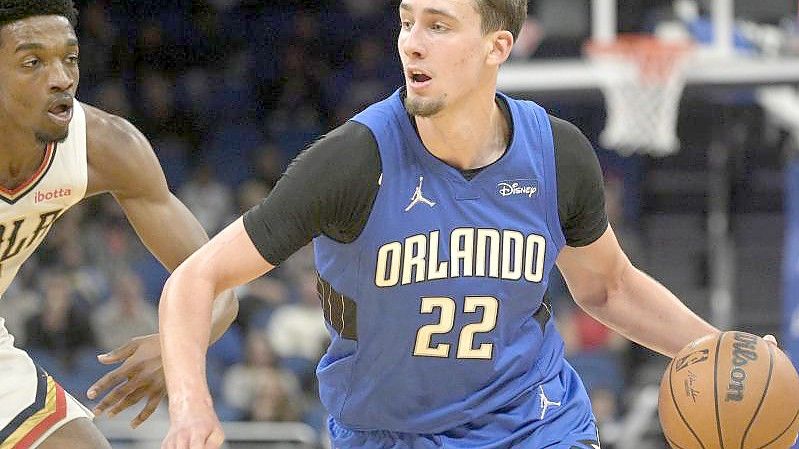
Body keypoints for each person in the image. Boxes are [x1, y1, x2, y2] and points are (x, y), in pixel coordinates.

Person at [156, 1, 780, 448]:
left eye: (438, 25)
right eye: (406, 22)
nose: (411, 42)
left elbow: (608, 287)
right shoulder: (352, 161)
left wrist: (718, 348)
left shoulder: (555, 155)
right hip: (388, 433)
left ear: (497, 46)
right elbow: (196, 278)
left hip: (535, 422)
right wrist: (191, 409)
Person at [0, 2, 237, 449]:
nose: (61, 78)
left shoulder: (103, 146)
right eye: (32, 62)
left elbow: (216, 280)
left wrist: (178, 346)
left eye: (69, 58)